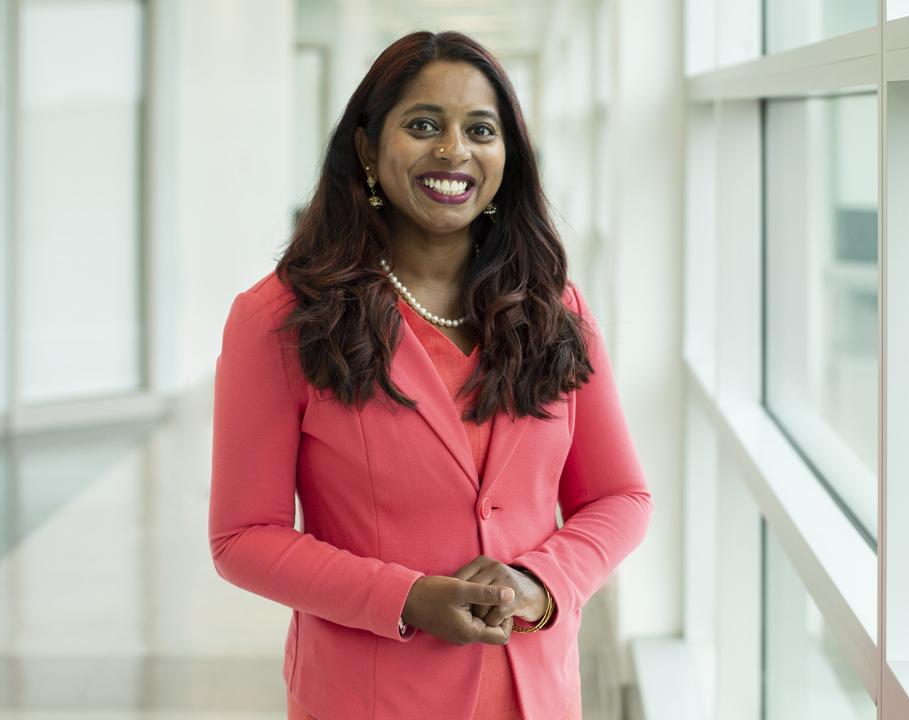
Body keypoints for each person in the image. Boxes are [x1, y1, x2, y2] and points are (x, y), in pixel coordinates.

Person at [207, 30, 654, 720]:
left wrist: (542, 583)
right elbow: (242, 538)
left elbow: (621, 497)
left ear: (508, 156)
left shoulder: (553, 305)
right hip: (368, 698)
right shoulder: (278, 319)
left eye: (481, 129)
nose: (454, 151)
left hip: (538, 695)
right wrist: (406, 597)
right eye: (423, 125)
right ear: (366, 149)